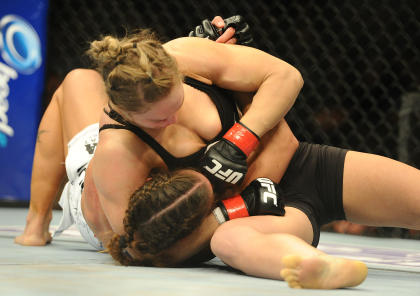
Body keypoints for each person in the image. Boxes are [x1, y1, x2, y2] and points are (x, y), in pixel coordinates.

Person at [15, 15, 420, 289]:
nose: (173, 120)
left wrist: (240, 138)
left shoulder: (188, 56)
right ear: (126, 113)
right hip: (250, 217)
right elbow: (139, 246)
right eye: (158, 120)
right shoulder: (117, 152)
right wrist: (233, 210)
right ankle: (317, 268)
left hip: (302, 169)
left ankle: (35, 229)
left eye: (177, 103)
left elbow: (285, 76)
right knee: (232, 242)